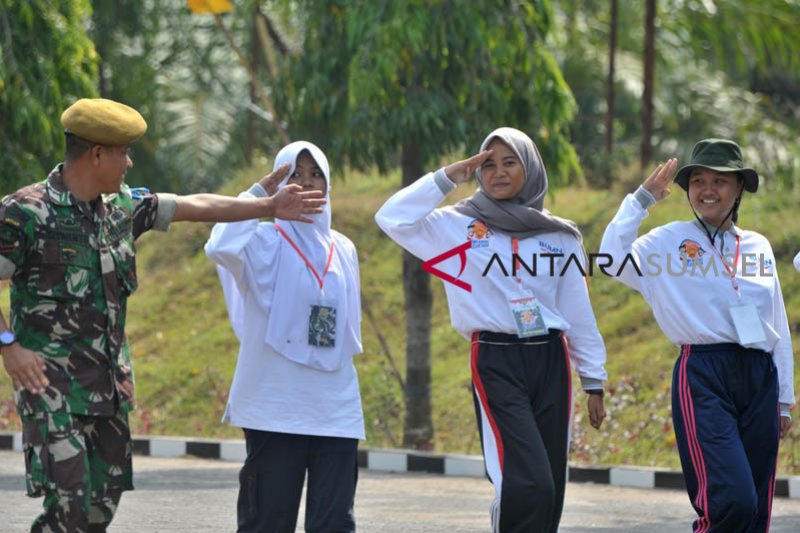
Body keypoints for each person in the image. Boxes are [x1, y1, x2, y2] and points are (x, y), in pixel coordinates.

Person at [0, 98, 325, 533]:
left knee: (101, 507)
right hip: (51, 388)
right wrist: (9, 346)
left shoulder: (121, 208)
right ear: (97, 154)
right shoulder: (26, 212)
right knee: (70, 504)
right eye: (123, 153)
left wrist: (264, 205)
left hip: (107, 387)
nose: (129, 163)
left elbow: (196, 206)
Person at [375, 127, 607, 533]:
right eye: (488, 164)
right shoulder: (456, 226)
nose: (498, 172)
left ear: (530, 166)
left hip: (551, 359)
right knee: (525, 481)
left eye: (509, 162)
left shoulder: (561, 236)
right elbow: (391, 217)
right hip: (496, 358)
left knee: (550, 485)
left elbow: (577, 311)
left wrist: (594, 378)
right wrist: (447, 177)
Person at [599, 138, 795, 532]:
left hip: (760, 377)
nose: (708, 190)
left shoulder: (758, 246)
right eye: (699, 180)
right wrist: (639, 201)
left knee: (756, 510)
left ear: (739, 187)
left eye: (720, 181)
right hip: (704, 373)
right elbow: (610, 259)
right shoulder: (666, 241)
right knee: (731, 501)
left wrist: (784, 398)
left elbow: (778, 322)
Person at [205, 141, 364, 533]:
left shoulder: (343, 247)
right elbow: (218, 245)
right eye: (295, 175)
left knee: (335, 524)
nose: (307, 185)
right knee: (267, 523)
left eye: (316, 176)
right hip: (274, 407)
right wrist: (258, 197)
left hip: (336, 408)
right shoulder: (262, 240)